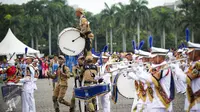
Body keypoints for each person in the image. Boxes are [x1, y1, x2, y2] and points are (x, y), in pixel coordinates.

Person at [173, 41, 200, 112]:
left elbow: (186, 79)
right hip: (192, 97)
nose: (187, 53)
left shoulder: (198, 65)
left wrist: (177, 69)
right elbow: (185, 74)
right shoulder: (193, 63)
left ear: (196, 53)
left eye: (190, 52)